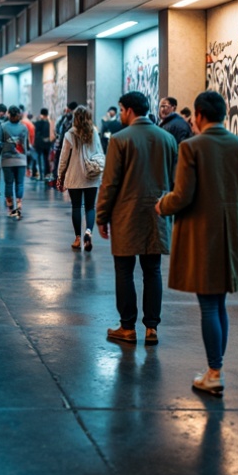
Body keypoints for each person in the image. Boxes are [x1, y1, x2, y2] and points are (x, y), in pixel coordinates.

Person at [158, 91, 238, 397]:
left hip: (200, 233)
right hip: (230, 233)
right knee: (219, 303)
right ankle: (216, 367)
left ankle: (214, 372)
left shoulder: (191, 147)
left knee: (207, 304)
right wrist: (236, 208)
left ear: (200, 115)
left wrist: (162, 205)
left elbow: (183, 195)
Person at [95, 92, 177, 345]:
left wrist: (101, 216)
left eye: (121, 110)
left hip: (126, 215)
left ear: (129, 110)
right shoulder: (168, 139)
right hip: (158, 213)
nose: (120, 115)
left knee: (124, 271)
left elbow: (110, 183)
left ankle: (127, 327)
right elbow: (175, 180)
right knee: (152, 271)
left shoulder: (120, 140)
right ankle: (152, 328)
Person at [57, 105, 104, 252]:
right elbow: (99, 152)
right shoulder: (94, 132)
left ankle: (77, 238)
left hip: (74, 176)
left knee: (76, 207)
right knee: (90, 207)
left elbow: (63, 158)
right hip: (91, 175)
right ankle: (88, 232)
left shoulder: (69, 134)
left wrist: (60, 175)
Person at [0, 106, 30, 219]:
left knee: (8, 183)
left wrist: (7, 145)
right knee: (20, 183)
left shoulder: (3, 126)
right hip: (21, 159)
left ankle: (10, 209)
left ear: (8, 114)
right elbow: (26, 144)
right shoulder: (24, 128)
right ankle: (19, 208)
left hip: (7, 159)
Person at [50, 102, 77, 183]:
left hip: (66, 142)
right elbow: (58, 128)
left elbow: (58, 128)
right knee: (60, 159)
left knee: (61, 159)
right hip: (64, 142)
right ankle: (58, 176)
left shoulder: (67, 118)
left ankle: (59, 176)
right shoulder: (66, 118)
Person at [32, 109, 53, 181]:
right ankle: (46, 175)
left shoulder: (37, 123)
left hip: (39, 144)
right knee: (46, 159)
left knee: (39, 160)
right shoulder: (50, 123)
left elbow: (35, 134)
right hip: (47, 144)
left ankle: (40, 175)